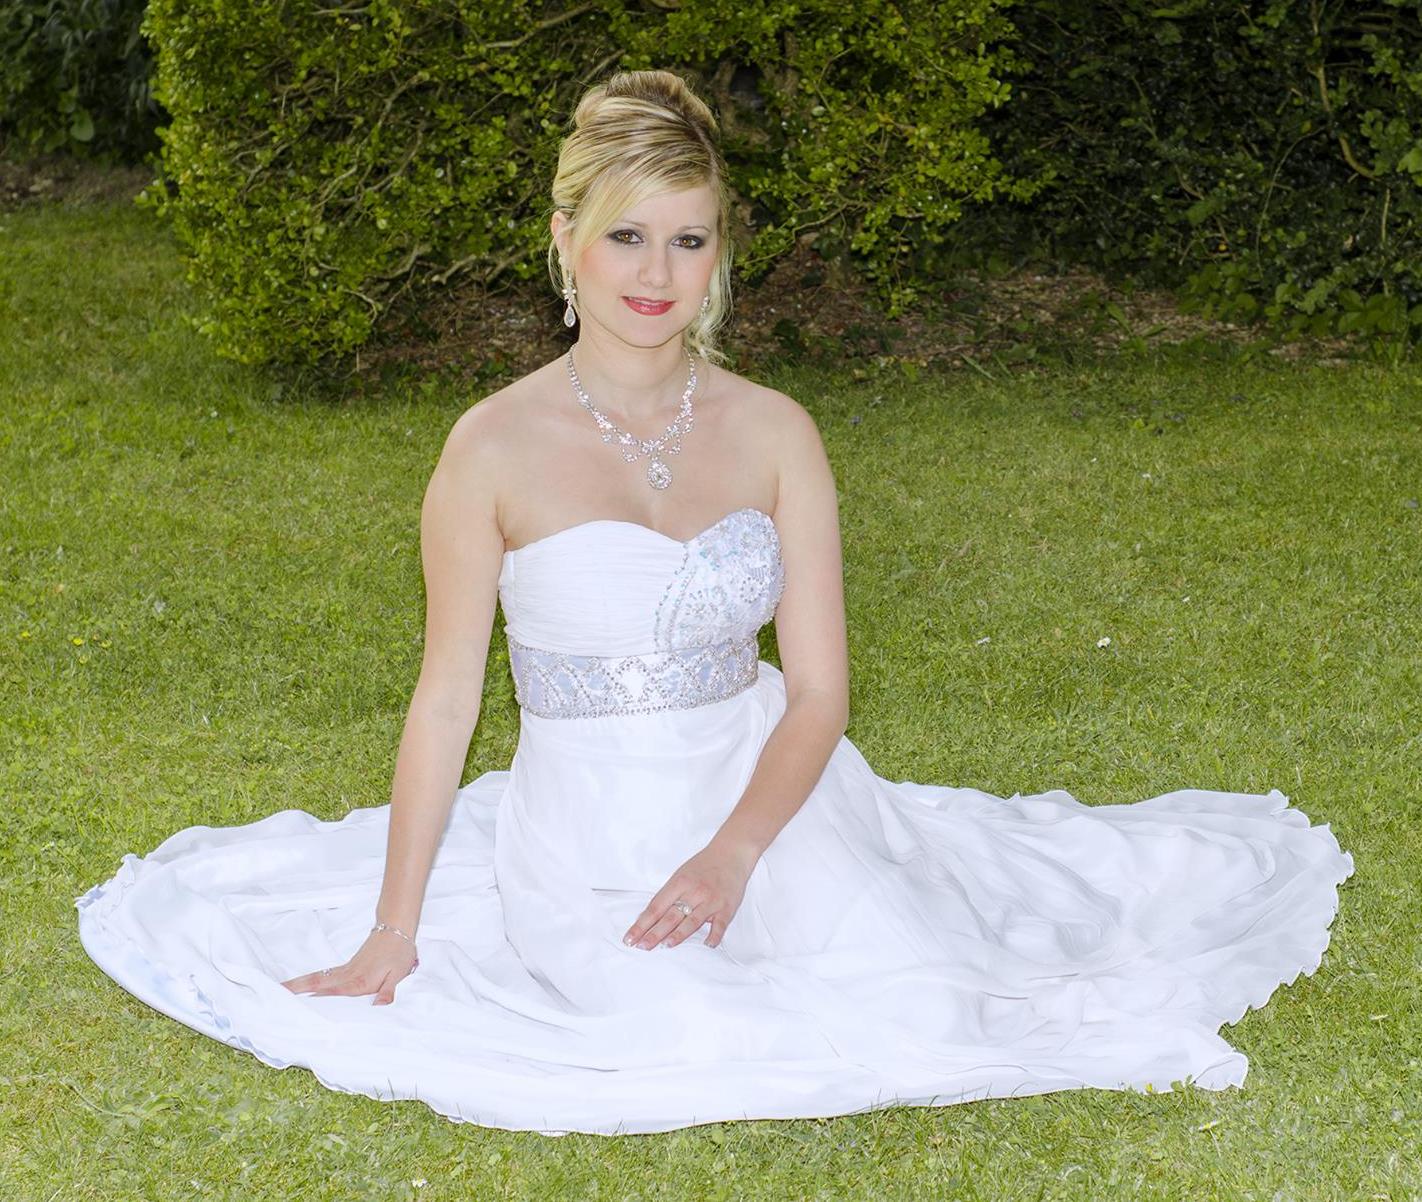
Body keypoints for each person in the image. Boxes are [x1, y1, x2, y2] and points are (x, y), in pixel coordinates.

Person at [76, 69, 1354, 1137]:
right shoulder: (491, 449)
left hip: (772, 792)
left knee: (927, 995)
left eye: (688, 239)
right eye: (627, 235)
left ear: (720, 255)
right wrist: (392, 930)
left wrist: (740, 847)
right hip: (586, 819)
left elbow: (820, 691)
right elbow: (447, 693)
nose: (657, 272)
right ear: (566, 242)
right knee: (672, 1020)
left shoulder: (778, 433)